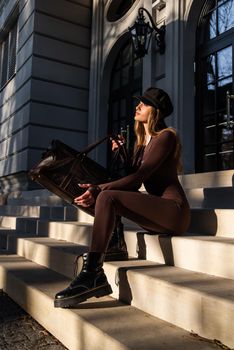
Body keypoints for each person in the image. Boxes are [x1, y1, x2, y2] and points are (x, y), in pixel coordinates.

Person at [54, 87, 191, 308]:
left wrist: (98, 189)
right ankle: (104, 257)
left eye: (144, 104)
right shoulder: (142, 143)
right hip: (160, 216)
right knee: (108, 197)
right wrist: (121, 154)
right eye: (139, 102)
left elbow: (138, 179)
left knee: (107, 197)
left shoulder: (166, 136)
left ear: (155, 111)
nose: (137, 106)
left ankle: (93, 273)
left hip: (173, 211)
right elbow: (132, 180)